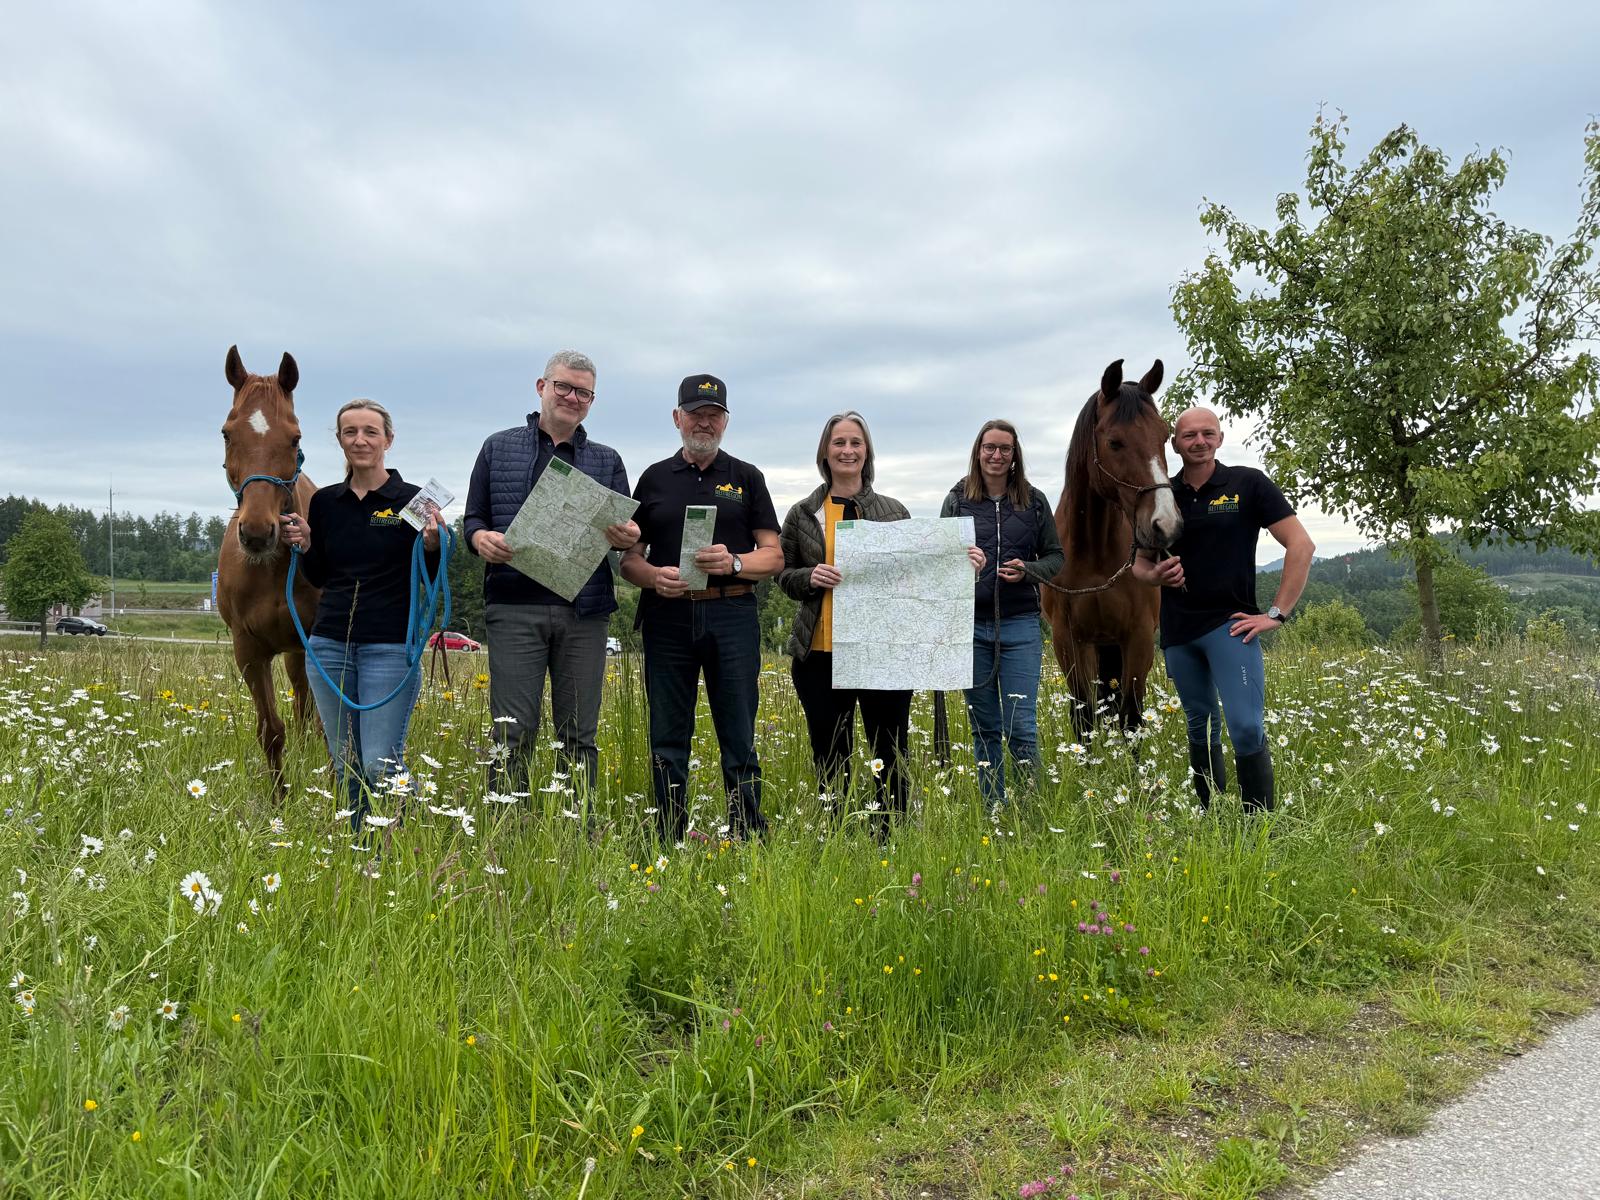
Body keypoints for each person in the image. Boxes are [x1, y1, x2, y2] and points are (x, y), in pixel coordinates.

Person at [463, 350, 639, 795]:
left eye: (583, 391)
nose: (572, 397)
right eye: (563, 386)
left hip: (585, 610)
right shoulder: (497, 447)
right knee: (511, 732)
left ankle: (576, 831)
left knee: (580, 735)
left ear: (592, 400)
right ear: (542, 388)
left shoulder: (608, 460)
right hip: (513, 605)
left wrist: (628, 535)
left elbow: (627, 532)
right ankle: (505, 834)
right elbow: (473, 519)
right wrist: (480, 540)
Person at [619, 374, 782, 843]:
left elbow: (773, 555)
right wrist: (653, 577)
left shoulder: (746, 477)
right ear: (677, 419)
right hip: (668, 617)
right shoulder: (652, 478)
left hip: (732, 612)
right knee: (668, 734)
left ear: (725, 422)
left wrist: (734, 562)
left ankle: (748, 833)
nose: (704, 422)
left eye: (713, 415)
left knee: (738, 732)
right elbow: (628, 558)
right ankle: (668, 834)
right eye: (695, 414)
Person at [1132, 406, 1314, 812]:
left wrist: (1276, 614)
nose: (1199, 441)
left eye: (1207, 433)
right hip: (1179, 630)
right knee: (1199, 725)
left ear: (1220, 438)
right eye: (1189, 435)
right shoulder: (1164, 494)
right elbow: (1139, 565)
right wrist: (1156, 575)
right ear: (1174, 444)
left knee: (1247, 727)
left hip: (1231, 626)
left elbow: (1301, 546)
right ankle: (1210, 816)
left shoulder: (1247, 484)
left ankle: (1258, 827)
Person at [280, 399, 440, 829]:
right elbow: (317, 577)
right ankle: (361, 850)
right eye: (350, 432)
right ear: (339, 441)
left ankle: (417, 832)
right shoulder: (326, 503)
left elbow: (434, 570)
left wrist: (432, 543)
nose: (360, 440)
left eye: (370, 431)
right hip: (329, 646)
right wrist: (307, 544)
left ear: (388, 439)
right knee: (346, 764)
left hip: (389, 648)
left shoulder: (413, 500)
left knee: (379, 766)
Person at [777, 412, 918, 832]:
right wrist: (809, 576)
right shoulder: (803, 513)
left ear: (867, 451)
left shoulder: (894, 512)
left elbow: (915, 573)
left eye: (856, 443)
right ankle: (835, 832)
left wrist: (962, 560)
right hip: (820, 653)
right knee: (829, 750)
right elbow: (782, 574)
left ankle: (890, 835)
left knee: (889, 751)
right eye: (839, 442)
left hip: (880, 655)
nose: (847, 451)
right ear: (825, 451)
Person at [941, 419, 1064, 810]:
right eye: (989, 448)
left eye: (1005, 449)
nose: (996, 456)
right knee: (985, 728)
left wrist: (1029, 570)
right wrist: (963, 565)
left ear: (1015, 456)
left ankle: (1031, 810)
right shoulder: (957, 500)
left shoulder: (1034, 501)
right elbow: (940, 561)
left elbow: (1056, 559)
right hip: (971, 628)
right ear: (978, 451)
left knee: (1021, 727)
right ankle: (994, 809)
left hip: (1021, 626)